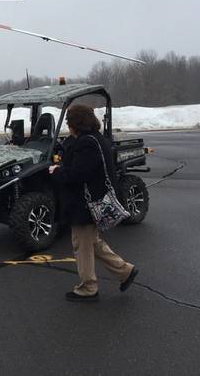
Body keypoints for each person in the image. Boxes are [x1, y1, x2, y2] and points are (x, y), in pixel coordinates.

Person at [49, 104, 138, 301]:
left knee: (82, 244)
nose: (67, 125)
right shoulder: (96, 139)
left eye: (68, 121)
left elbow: (77, 174)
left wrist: (57, 171)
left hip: (85, 205)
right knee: (92, 242)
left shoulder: (86, 143)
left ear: (76, 123)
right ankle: (125, 271)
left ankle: (88, 287)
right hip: (91, 202)